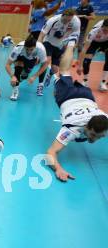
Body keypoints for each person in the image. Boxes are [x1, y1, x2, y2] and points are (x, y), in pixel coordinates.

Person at [46, 34, 107, 182]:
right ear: (86, 125)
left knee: (64, 74)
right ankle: (72, 42)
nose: (94, 139)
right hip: (67, 96)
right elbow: (50, 153)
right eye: (92, 134)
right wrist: (58, 169)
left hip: (87, 96)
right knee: (63, 71)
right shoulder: (71, 129)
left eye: (99, 137)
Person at [37, 9, 81, 87]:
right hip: (48, 42)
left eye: (69, 20)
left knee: (55, 69)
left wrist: (69, 50)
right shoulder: (53, 20)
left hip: (60, 45)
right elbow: (41, 35)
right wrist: (38, 50)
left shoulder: (76, 22)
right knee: (46, 61)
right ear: (62, 15)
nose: (67, 22)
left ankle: (49, 75)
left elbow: (75, 37)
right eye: (66, 20)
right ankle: (40, 85)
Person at [5, 35, 49, 100]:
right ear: (24, 46)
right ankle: (15, 91)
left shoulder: (41, 49)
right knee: (19, 65)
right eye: (27, 49)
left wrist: (34, 76)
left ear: (35, 47)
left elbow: (45, 64)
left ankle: (21, 78)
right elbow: (7, 64)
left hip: (32, 60)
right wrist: (12, 76)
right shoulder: (18, 48)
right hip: (21, 58)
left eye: (31, 49)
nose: (29, 51)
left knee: (24, 76)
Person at [77, 19, 108, 91]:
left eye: (107, 31)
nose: (106, 32)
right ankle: (85, 81)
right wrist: (79, 66)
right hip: (94, 42)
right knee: (87, 61)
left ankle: (102, 83)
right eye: (105, 30)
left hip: (106, 42)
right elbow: (84, 49)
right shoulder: (94, 31)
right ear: (102, 27)